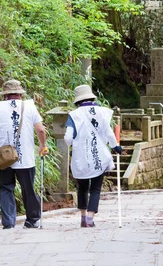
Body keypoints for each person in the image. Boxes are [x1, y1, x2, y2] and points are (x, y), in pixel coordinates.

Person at [0, 80, 48, 229]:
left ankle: (8, 223)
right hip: (25, 157)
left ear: (4, 95)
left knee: (6, 188)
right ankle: (32, 220)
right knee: (28, 188)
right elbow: (41, 130)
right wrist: (42, 145)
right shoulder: (29, 106)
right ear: (20, 94)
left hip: (3, 157)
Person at [64, 85, 122, 227]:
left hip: (81, 156)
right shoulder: (102, 112)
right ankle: (90, 218)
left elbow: (67, 138)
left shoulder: (74, 115)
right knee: (95, 188)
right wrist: (116, 146)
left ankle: (83, 218)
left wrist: (74, 144)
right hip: (99, 156)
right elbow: (109, 133)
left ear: (78, 100)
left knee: (82, 187)